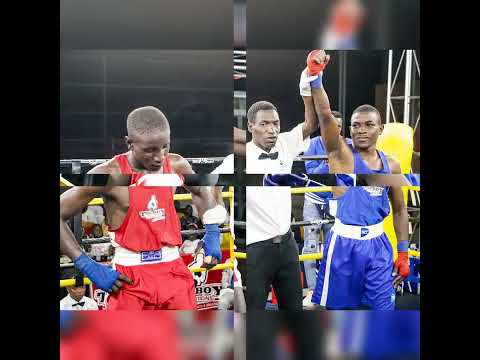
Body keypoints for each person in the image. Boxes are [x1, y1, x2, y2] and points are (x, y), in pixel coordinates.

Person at [60, 106, 227, 310]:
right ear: (129, 143)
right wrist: (85, 264)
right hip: (129, 278)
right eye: (150, 150)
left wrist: (212, 231)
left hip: (174, 272)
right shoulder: (109, 174)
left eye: (165, 146)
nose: (159, 157)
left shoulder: (176, 165)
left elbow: (201, 192)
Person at [303, 50, 410, 310]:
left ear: (380, 129)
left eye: (368, 125)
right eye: (355, 125)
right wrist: (315, 77)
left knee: (383, 310)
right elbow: (326, 115)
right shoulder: (341, 154)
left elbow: (400, 209)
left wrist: (404, 252)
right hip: (343, 244)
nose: (361, 130)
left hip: (378, 244)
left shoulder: (391, 164)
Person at [245, 97, 319, 310]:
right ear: (251, 127)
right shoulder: (241, 157)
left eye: (275, 123)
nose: (271, 130)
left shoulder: (285, 143)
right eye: (264, 124)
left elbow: (310, 124)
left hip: (287, 244)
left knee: (294, 310)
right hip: (256, 247)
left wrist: (307, 83)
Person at [302, 111, 352, 303]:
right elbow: (311, 173)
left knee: (336, 247)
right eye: (333, 125)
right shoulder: (313, 144)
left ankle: (332, 288)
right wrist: (328, 163)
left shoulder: (346, 145)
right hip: (314, 199)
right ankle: (312, 290)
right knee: (310, 246)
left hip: (336, 201)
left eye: (339, 126)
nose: (336, 129)